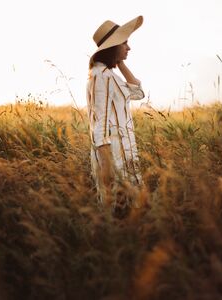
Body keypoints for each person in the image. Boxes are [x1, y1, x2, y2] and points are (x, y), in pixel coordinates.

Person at [86, 16, 145, 213]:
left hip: (125, 150)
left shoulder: (109, 75)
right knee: (117, 209)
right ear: (113, 46)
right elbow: (99, 121)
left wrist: (119, 62)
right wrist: (106, 165)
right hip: (114, 154)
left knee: (130, 208)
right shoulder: (100, 76)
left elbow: (138, 92)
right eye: (125, 43)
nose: (129, 48)